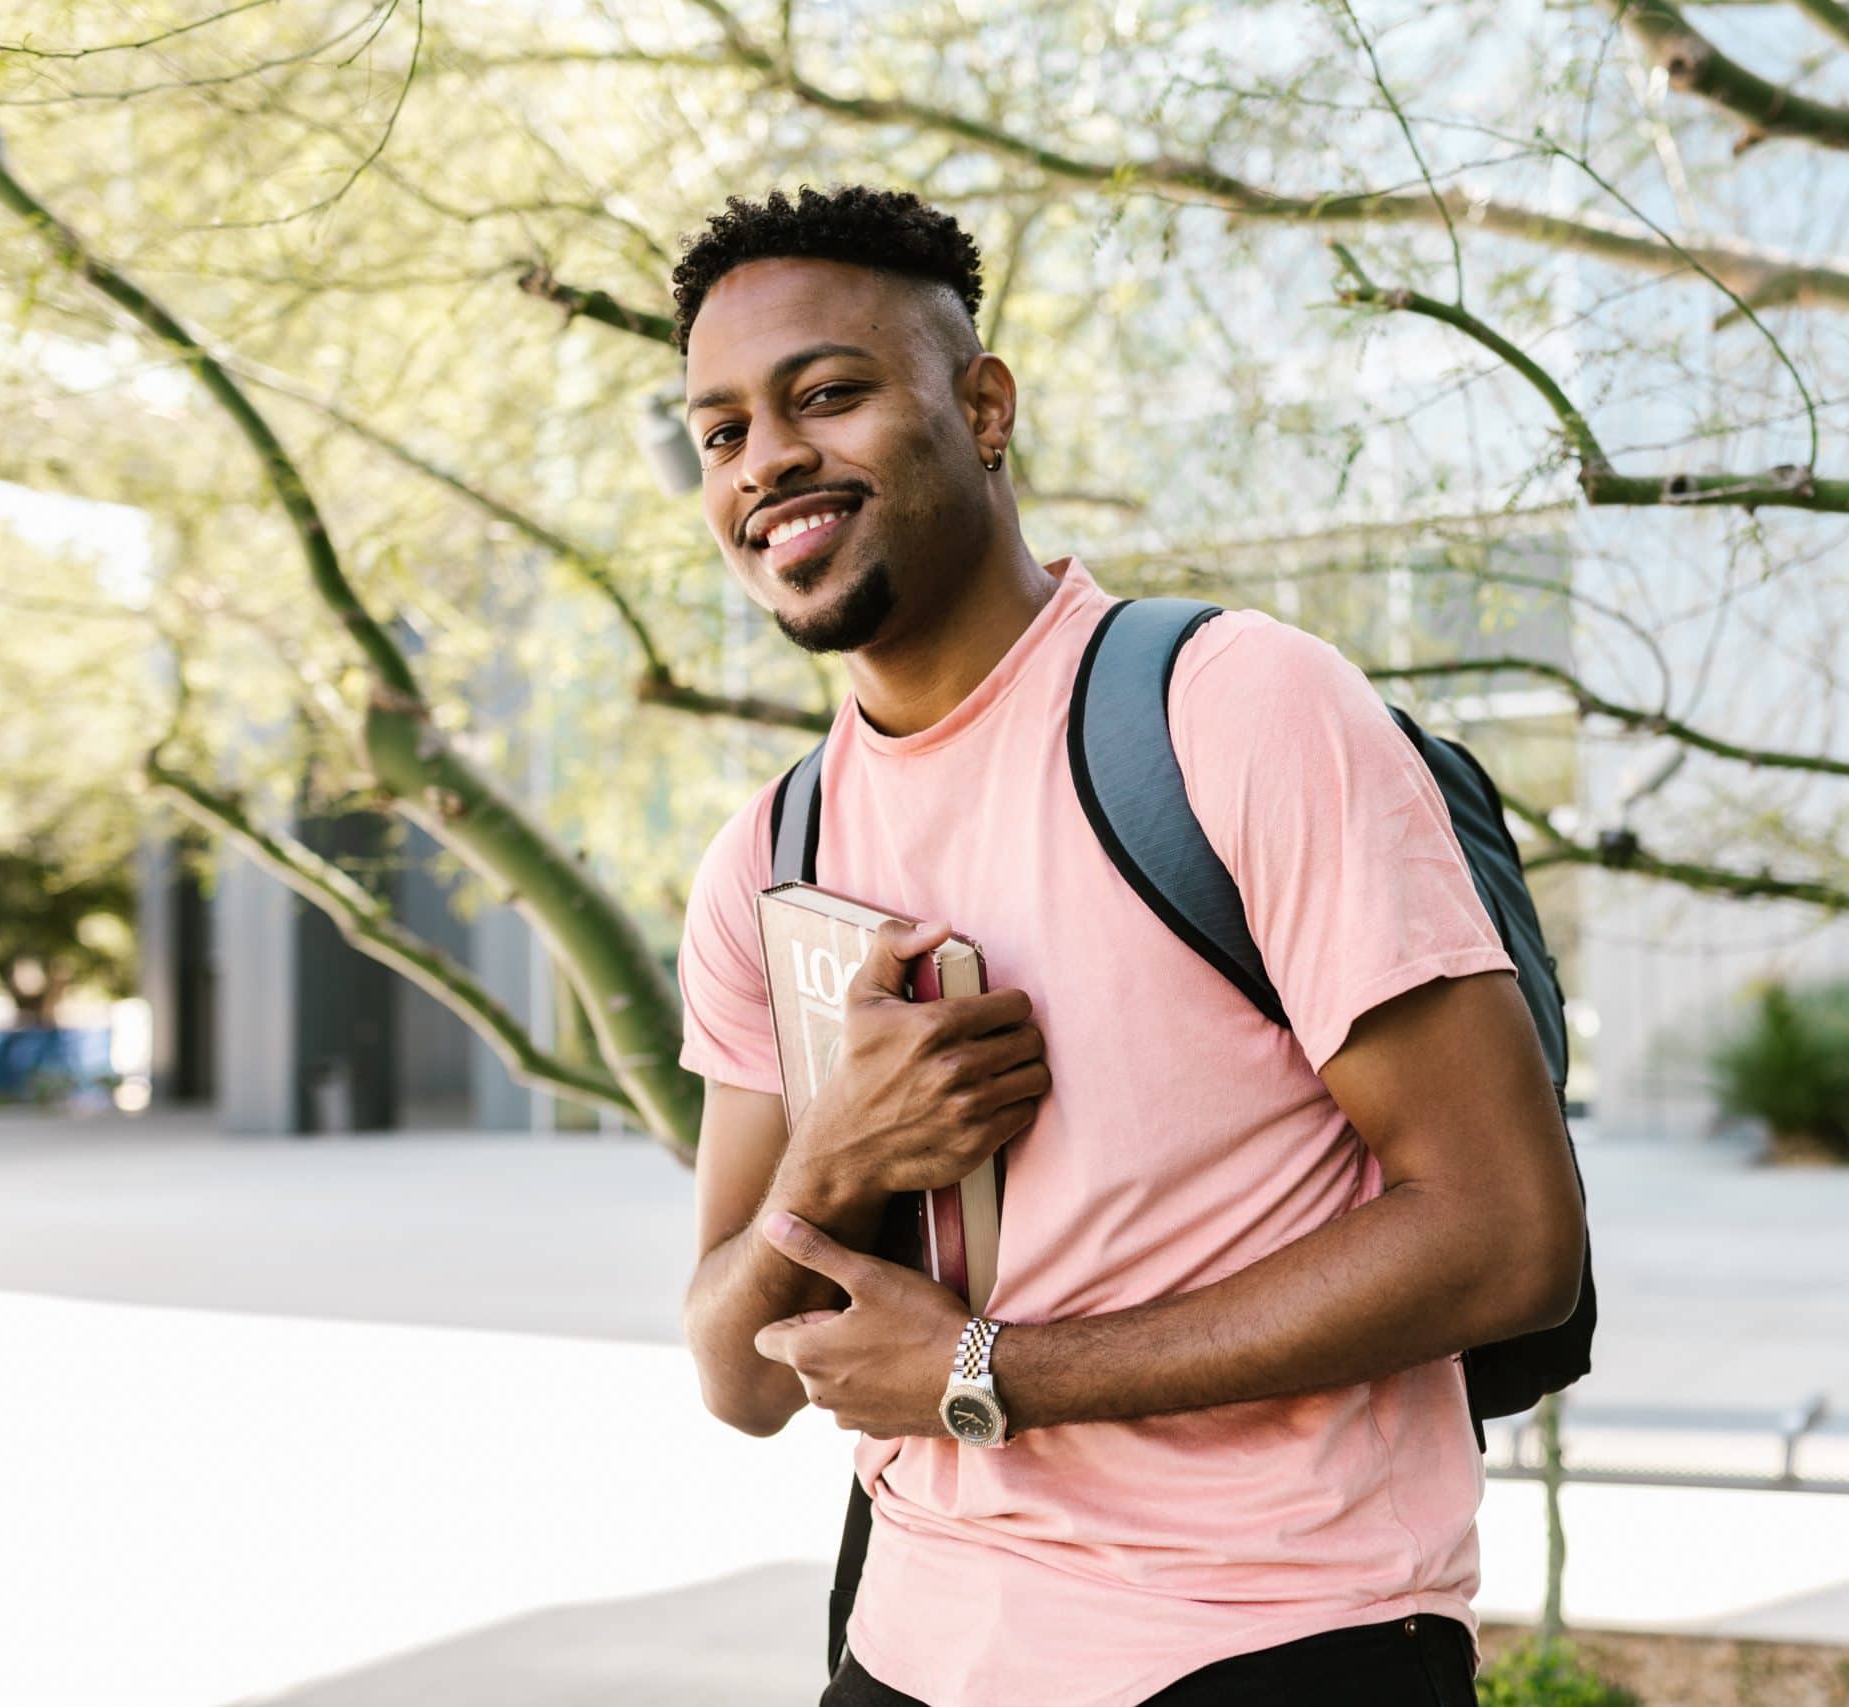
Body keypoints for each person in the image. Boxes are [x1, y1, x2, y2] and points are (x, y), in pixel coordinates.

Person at [669, 183, 1584, 1707]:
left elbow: (1505, 1236)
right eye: (719, 432)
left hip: (1270, 1633)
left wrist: (985, 1375)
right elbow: (741, 1375)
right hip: (909, 1645)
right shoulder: (770, 856)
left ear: (982, 406)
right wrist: (834, 1164)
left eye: (825, 393)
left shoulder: (1230, 710)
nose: (767, 460)